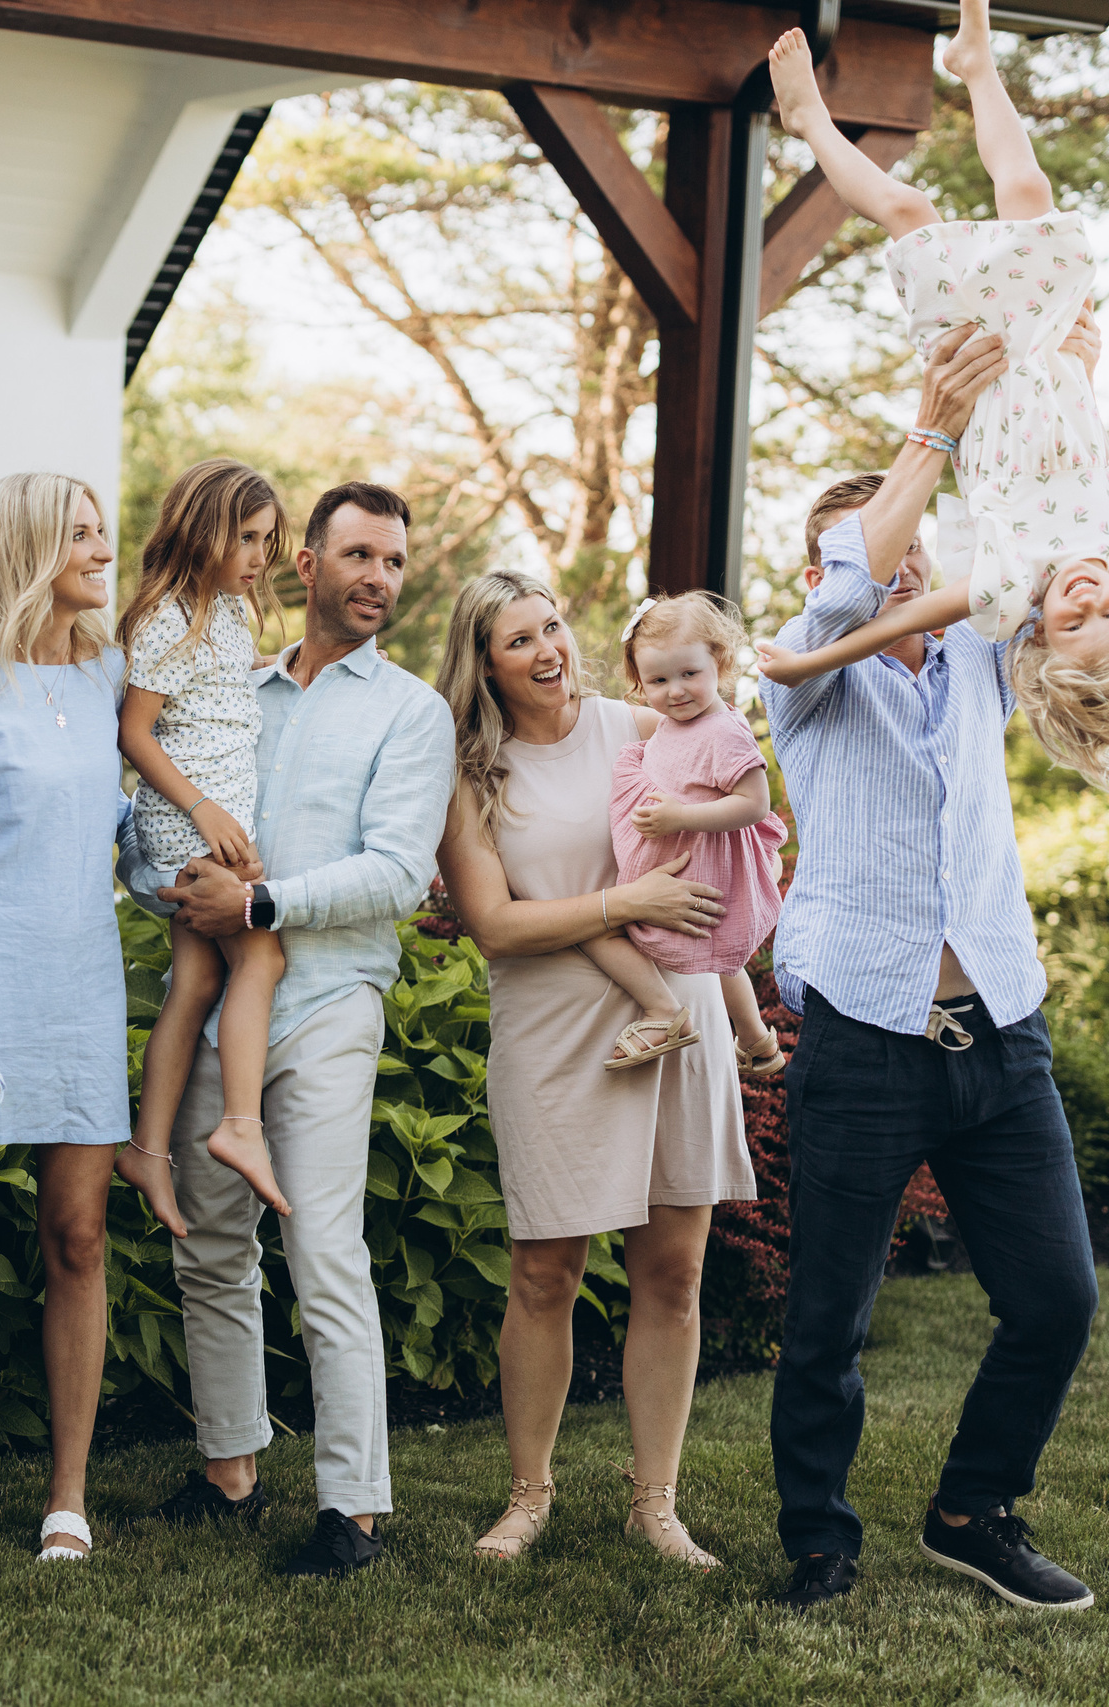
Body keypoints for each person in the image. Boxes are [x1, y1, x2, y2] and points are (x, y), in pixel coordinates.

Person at [758, 313, 1102, 1614]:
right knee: (829, 1319)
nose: (904, 567)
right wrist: (931, 430)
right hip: (864, 1039)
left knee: (1057, 1297)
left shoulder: (979, 663)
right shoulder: (805, 680)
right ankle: (818, 1537)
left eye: (918, 551)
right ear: (828, 570)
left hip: (999, 1032)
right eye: (878, 550)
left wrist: (1065, 384)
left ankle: (972, 1509)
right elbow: (849, 585)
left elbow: (1061, 560)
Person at [759, 4, 1109, 784]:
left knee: (910, 212)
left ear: (1042, 632)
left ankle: (809, 121)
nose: (1087, 600)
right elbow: (1094, 457)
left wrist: (811, 658)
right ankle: (976, 63)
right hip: (1049, 358)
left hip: (977, 362)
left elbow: (908, 615)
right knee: (1026, 187)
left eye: (1075, 623)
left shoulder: (1010, 583)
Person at [123, 481, 451, 1581]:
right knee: (210, 1244)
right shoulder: (231, 683)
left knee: (322, 1248)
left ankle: (353, 1509)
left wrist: (259, 905)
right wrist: (173, 884)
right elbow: (155, 824)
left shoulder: (410, 712)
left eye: (393, 561)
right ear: (305, 565)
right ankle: (230, 1470)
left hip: (327, 1003)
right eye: (358, 555)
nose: (378, 578)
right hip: (220, 1002)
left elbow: (396, 873)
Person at [432, 573, 752, 1572]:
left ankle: (654, 1503)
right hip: (554, 1026)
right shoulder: (469, 772)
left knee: (675, 1271)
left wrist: (738, 994)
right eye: (519, 639)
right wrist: (625, 904)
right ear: (484, 664)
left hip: (678, 1013)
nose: (548, 650)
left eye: (554, 626)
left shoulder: (641, 722)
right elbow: (495, 925)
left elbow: (728, 824)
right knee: (544, 1273)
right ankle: (528, 1494)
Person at [0, 472, 131, 1566]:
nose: (102, 548)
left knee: (78, 1236)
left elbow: (120, 821)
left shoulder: (108, 674)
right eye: (80, 534)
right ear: (29, 548)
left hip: (82, 981)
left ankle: (67, 1496)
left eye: (102, 530)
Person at [117, 458, 292, 1221]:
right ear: (201, 531)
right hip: (186, 826)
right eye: (245, 538)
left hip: (209, 822)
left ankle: (147, 1149)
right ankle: (240, 1125)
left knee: (195, 981)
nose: (259, 556)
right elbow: (135, 731)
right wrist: (206, 810)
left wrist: (283, 664)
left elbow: (220, 690)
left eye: (267, 540)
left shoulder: (224, 610)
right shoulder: (168, 616)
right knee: (261, 955)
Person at [607, 592, 790, 1075]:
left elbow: (754, 804)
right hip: (683, 858)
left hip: (697, 859)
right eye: (658, 680)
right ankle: (756, 1040)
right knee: (721, 958)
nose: (675, 691)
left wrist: (681, 818)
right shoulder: (676, 721)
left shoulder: (722, 732)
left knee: (607, 927)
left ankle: (664, 1012)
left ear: (720, 662)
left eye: (689, 673)